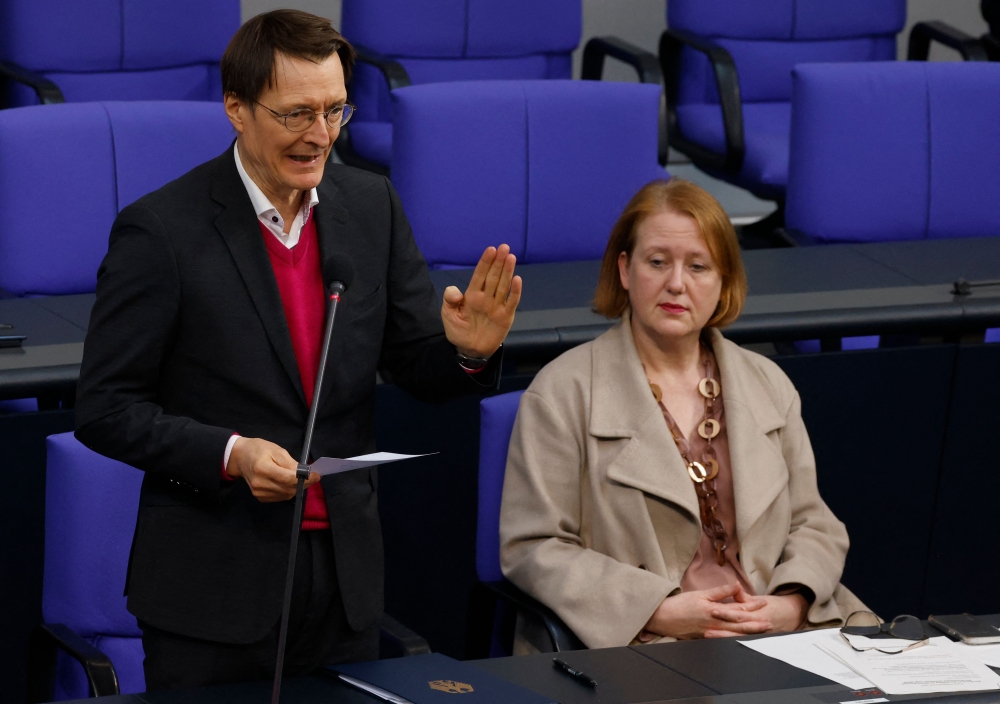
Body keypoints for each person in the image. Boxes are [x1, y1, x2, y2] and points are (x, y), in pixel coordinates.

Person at [75, 10, 521, 690]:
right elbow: (106, 408)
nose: (320, 137)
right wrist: (231, 454)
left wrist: (466, 354)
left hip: (344, 579)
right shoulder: (161, 231)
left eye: (335, 111)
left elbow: (413, 364)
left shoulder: (370, 207)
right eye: (296, 114)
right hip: (213, 584)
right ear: (237, 108)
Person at [499, 179, 865, 653]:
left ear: (723, 282)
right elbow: (534, 546)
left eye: (698, 266)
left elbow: (814, 522)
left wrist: (791, 601)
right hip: (644, 642)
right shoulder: (563, 391)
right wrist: (657, 610)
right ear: (626, 270)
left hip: (781, 631)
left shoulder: (768, 382)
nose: (677, 283)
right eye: (657, 262)